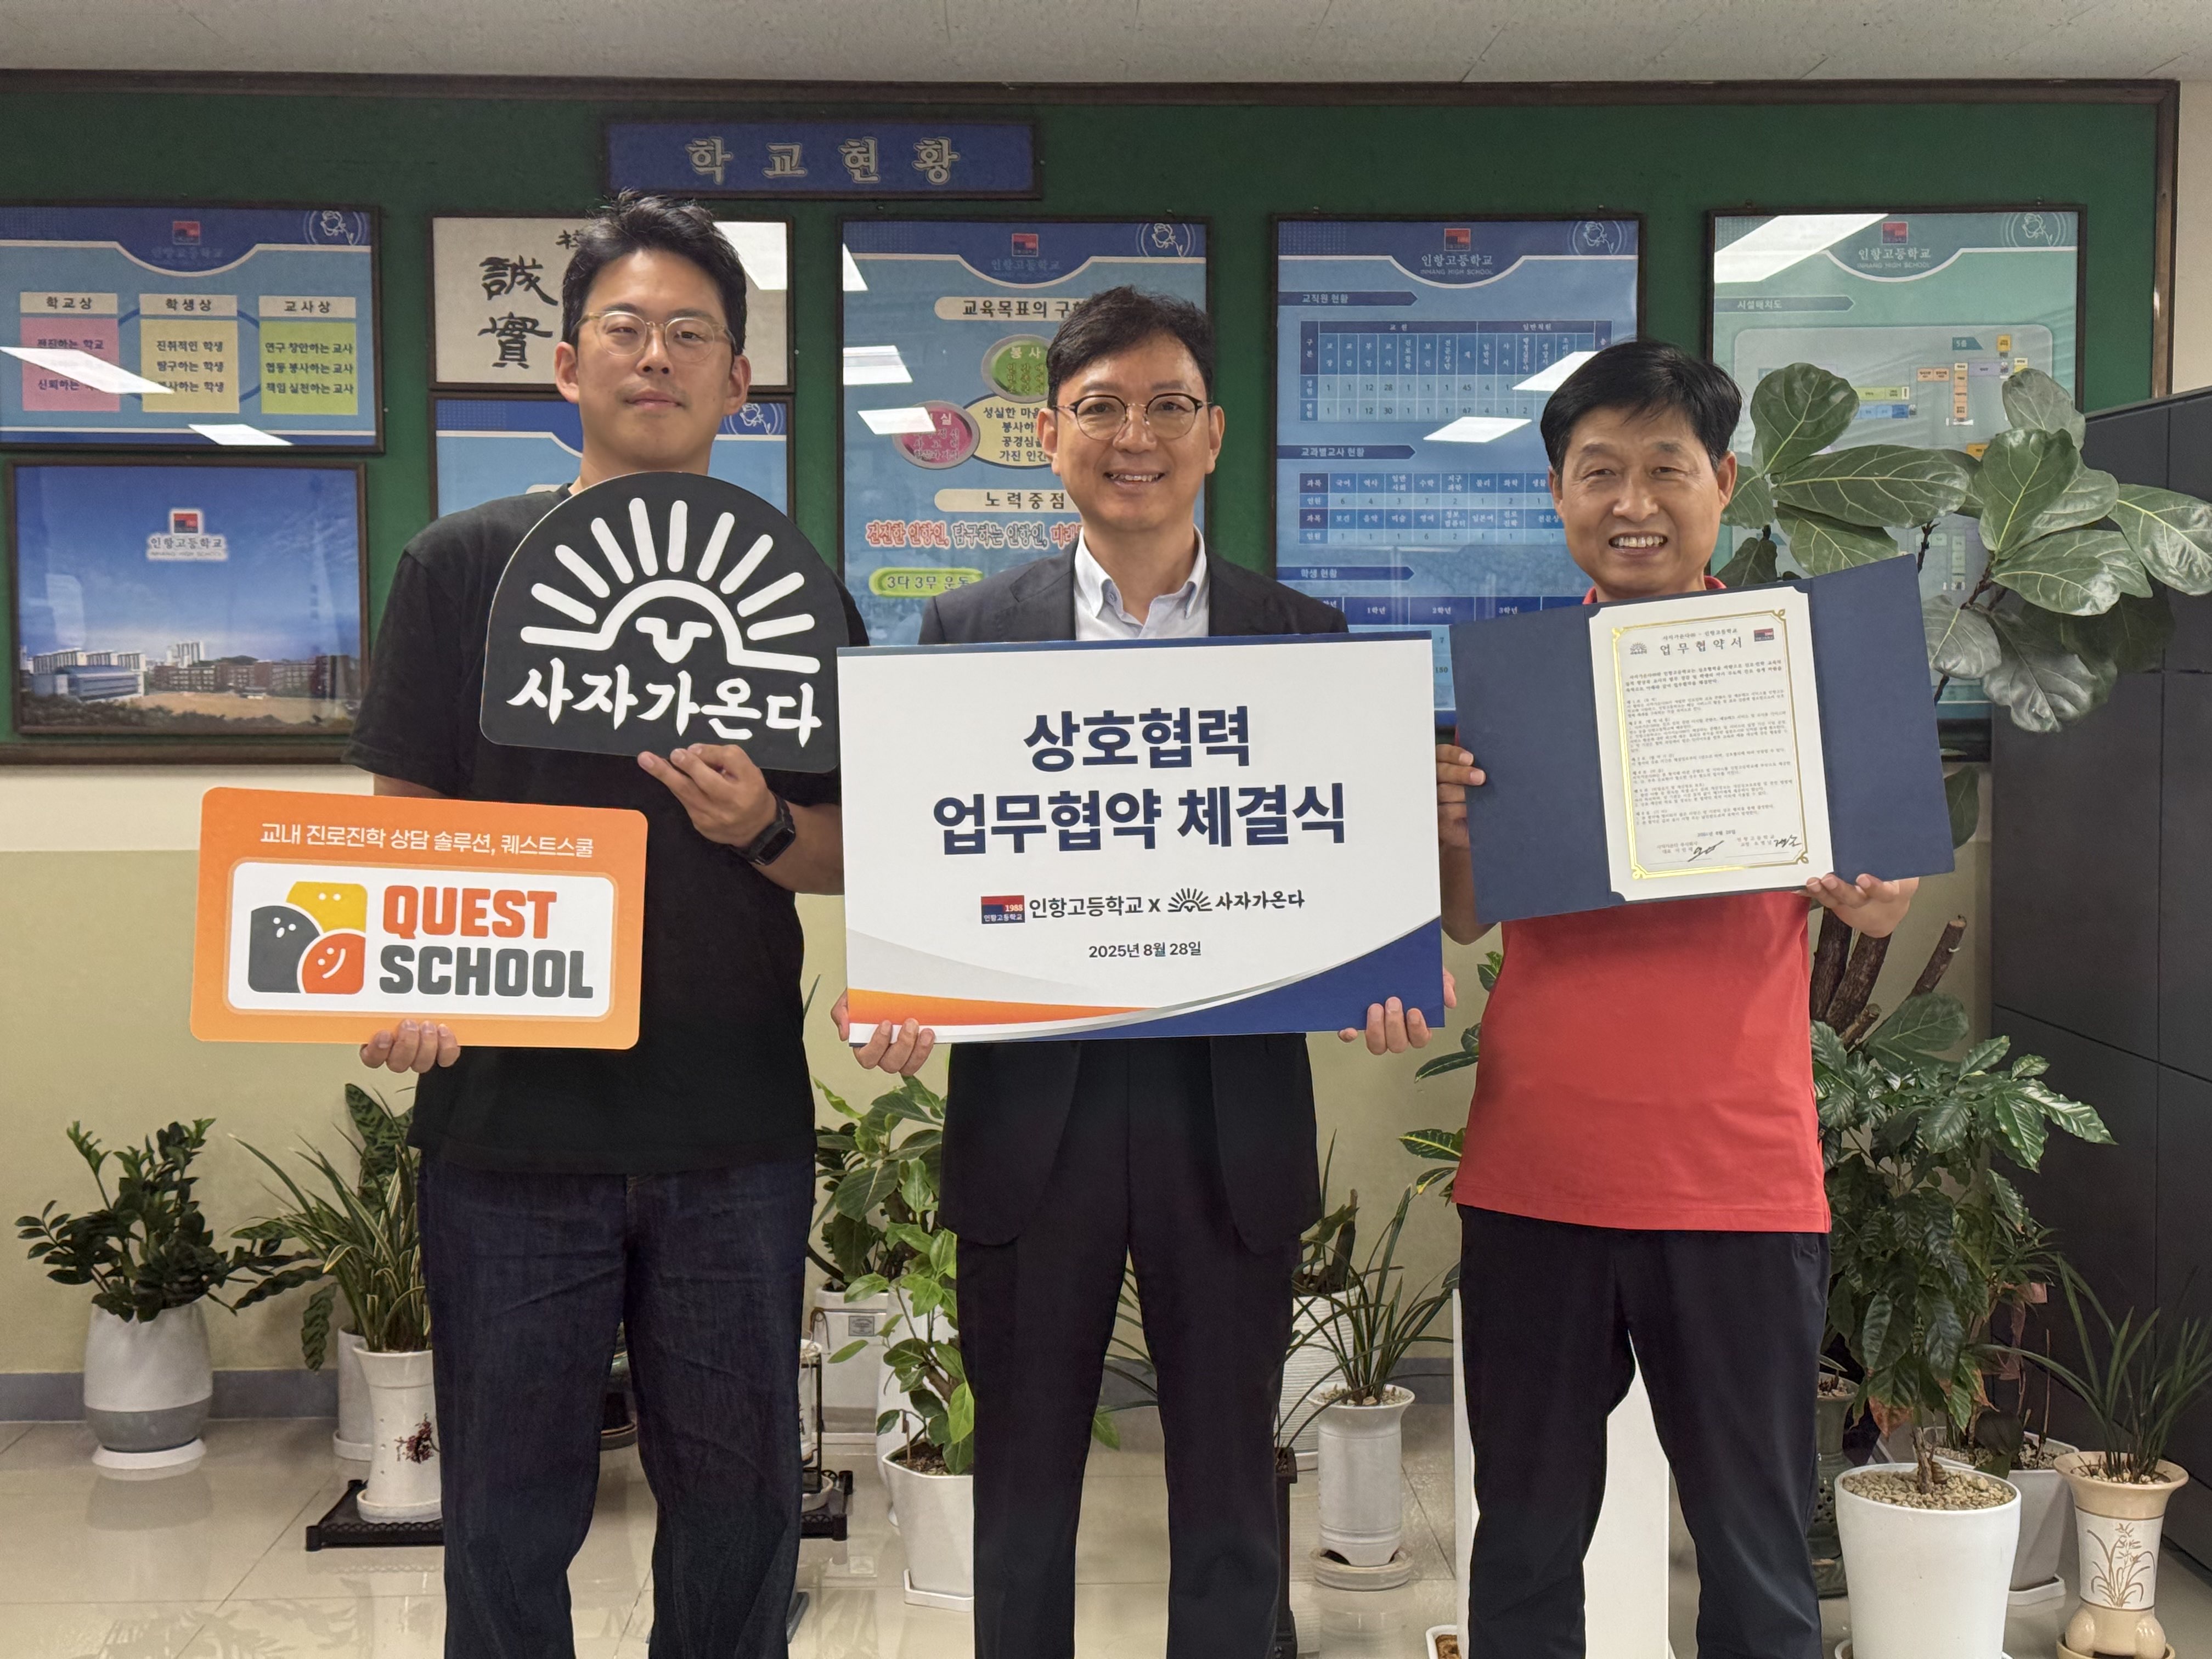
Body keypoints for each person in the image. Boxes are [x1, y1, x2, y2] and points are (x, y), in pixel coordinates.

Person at [833, 285, 1444, 1659]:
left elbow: (1336, 864)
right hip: (1031, 1117)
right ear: (1052, 436)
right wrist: (899, 988)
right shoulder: (968, 633)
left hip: (1226, 1116)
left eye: (1168, 406)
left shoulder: (1303, 642)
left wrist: (1377, 967)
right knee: (1023, 1483)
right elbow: (934, 853)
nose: (1136, 436)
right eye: (1101, 408)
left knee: (1229, 1479)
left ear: (1213, 434)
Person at [345, 192, 865, 1659]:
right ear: (567, 365)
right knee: (506, 1516)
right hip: (511, 1128)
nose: (656, 356)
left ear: (738, 381)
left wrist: (759, 827)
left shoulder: (793, 588)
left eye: (691, 333)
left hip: (732, 1132)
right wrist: (405, 978)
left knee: (742, 1510)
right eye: (624, 328)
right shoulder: (458, 566)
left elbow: (851, 853)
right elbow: (406, 825)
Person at [1433, 339, 1917, 1659]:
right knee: (1525, 1540)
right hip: (1538, 1171)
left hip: (1736, 1178)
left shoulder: (1797, 673)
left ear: (1725, 484)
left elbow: (1880, 900)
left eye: (1665, 468)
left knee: (1755, 1552)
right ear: (1558, 494)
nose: (1632, 502)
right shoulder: (1519, 692)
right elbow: (1469, 916)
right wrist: (1451, 826)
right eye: (1599, 472)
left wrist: (1874, 890)